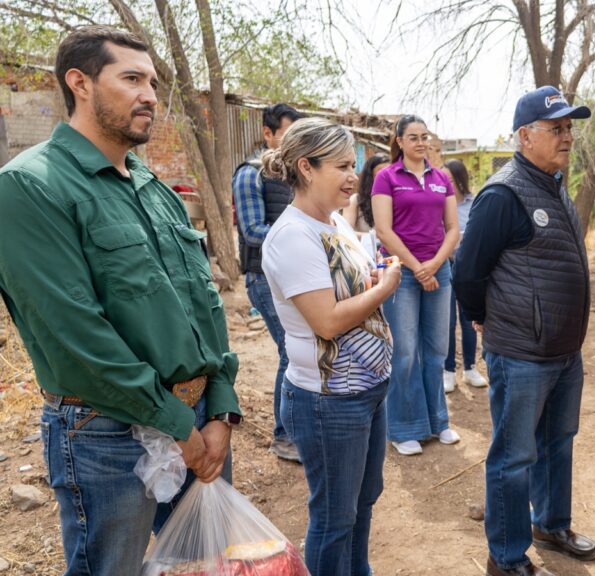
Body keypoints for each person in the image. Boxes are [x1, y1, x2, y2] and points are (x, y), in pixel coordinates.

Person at [0, 25, 240, 574]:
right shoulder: (29, 186)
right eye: (131, 79)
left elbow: (204, 303)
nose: (151, 96)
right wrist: (175, 424)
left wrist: (220, 406)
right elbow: (73, 333)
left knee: (208, 564)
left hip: (200, 417)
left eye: (153, 82)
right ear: (79, 83)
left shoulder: (151, 187)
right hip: (105, 431)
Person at [454, 85, 595, 576]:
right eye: (556, 128)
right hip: (521, 352)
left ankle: (552, 524)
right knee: (514, 457)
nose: (567, 137)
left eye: (569, 128)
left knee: (559, 443)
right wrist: (482, 316)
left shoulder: (554, 185)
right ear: (524, 136)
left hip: (564, 351)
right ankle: (507, 556)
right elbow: (468, 271)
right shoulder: (503, 193)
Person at [260, 117, 402, 576]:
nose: (353, 175)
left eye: (354, 164)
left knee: (363, 502)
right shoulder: (293, 236)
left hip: (365, 391)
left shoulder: (333, 222)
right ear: (306, 167)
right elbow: (326, 321)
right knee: (335, 518)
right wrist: (386, 289)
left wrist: (372, 280)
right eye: (341, 166)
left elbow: (347, 290)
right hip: (329, 401)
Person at [371, 115, 461, 456]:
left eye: (425, 136)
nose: (420, 142)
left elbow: (452, 227)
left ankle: (438, 422)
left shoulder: (441, 179)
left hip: (439, 271)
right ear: (399, 141)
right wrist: (417, 268)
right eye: (413, 137)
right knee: (406, 352)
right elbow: (384, 231)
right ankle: (404, 428)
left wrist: (434, 265)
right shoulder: (386, 178)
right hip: (401, 273)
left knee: (437, 348)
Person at [232, 102, 304, 462]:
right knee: (290, 352)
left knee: (298, 351)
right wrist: (302, 233)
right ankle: (283, 436)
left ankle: (294, 431)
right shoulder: (250, 174)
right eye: (288, 135)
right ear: (268, 134)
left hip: (291, 276)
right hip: (264, 278)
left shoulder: (290, 175)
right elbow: (253, 231)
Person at [441, 158, 487, 392]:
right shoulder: (438, 203)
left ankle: (470, 368)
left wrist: (456, 235)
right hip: (445, 264)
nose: (444, 183)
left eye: (449, 179)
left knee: (469, 319)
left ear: (460, 179)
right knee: (447, 321)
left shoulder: (475, 202)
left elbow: (476, 233)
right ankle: (448, 370)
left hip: (468, 267)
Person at [343, 153, 389, 234]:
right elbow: (346, 233)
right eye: (381, 172)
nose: (386, 176)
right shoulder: (355, 200)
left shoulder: (397, 200)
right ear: (370, 175)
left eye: (389, 171)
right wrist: (376, 239)